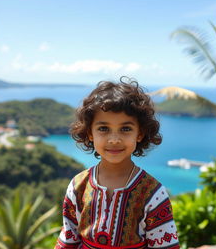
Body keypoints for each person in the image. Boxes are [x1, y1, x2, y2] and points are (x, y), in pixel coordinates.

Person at [55, 77, 180, 249]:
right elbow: (68, 241)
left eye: (126, 129)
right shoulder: (78, 186)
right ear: (90, 133)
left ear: (140, 133)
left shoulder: (153, 193)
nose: (114, 140)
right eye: (103, 129)